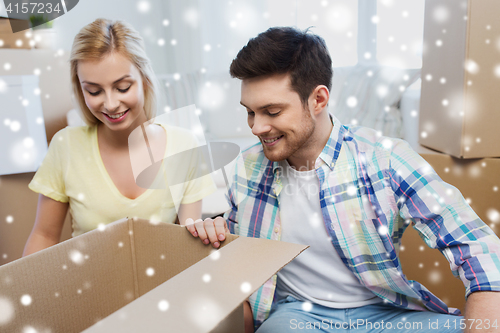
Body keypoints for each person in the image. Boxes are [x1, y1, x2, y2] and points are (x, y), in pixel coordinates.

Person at [185, 27, 500, 332]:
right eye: (250, 112)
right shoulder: (248, 167)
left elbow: (475, 244)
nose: (256, 128)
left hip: (385, 315)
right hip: (297, 316)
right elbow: (240, 260)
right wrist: (216, 237)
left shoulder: (385, 158)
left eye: (272, 111)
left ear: (318, 100)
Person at [23, 18, 216, 256]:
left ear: (145, 79)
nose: (111, 104)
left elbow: (188, 241)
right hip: (89, 288)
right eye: (94, 91)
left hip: (162, 287)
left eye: (123, 87)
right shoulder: (66, 146)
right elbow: (44, 236)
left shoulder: (185, 145)